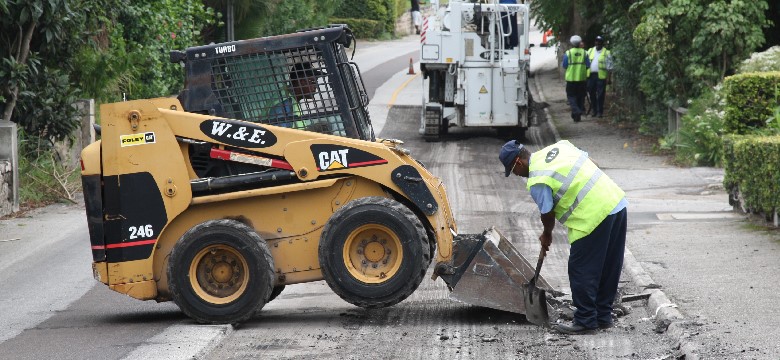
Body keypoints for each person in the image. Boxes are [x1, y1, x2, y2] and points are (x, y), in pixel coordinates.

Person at [498, 139, 628, 335]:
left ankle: (585, 320)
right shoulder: (558, 148)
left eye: (513, 170)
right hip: (616, 202)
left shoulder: (537, 180)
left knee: (581, 268)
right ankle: (603, 316)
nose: (516, 175)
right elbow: (592, 162)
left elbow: (547, 213)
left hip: (592, 216)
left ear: (518, 162)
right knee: (609, 265)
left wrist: (546, 235)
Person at [268, 62, 322, 128]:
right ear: (301, 81)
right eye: (313, 82)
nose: (315, 86)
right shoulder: (284, 105)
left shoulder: (290, 98)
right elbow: (282, 135)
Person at [562, 35, 590, 122]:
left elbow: (565, 65)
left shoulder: (568, 53)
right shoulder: (585, 53)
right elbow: (588, 65)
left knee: (571, 97)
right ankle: (577, 116)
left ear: (572, 43)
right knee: (580, 97)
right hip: (581, 79)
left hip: (571, 79)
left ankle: (577, 111)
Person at [587, 36, 613, 118]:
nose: (597, 43)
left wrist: (609, 78)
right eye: (596, 41)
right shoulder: (590, 50)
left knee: (601, 95)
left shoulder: (607, 52)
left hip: (601, 77)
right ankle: (594, 110)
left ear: (602, 43)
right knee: (591, 93)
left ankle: (599, 112)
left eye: (599, 42)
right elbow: (586, 63)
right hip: (591, 76)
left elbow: (610, 67)